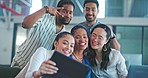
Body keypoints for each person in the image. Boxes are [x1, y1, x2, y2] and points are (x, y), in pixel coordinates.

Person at [11, 0, 75, 69]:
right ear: (58, 10)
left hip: (38, 69)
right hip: (22, 63)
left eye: (70, 13)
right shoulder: (44, 18)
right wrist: (45, 9)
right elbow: (25, 24)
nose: (68, 15)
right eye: (64, 11)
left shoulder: (64, 35)